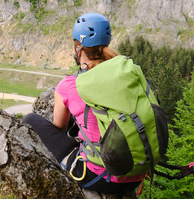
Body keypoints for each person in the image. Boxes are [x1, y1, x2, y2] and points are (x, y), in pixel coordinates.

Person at [23, 13, 142, 197]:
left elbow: (59, 127)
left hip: (99, 176)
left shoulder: (70, 85)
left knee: (29, 119)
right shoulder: (124, 74)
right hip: (135, 173)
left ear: (78, 47)